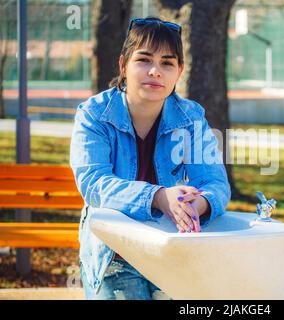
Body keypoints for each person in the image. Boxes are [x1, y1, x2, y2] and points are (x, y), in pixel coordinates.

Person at [70, 17, 231, 300]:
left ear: (179, 71)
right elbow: (93, 184)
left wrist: (200, 203)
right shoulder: (94, 114)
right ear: (124, 65)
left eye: (167, 63)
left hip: (169, 250)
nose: (156, 71)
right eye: (144, 60)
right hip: (113, 256)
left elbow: (215, 182)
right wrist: (158, 197)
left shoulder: (191, 118)